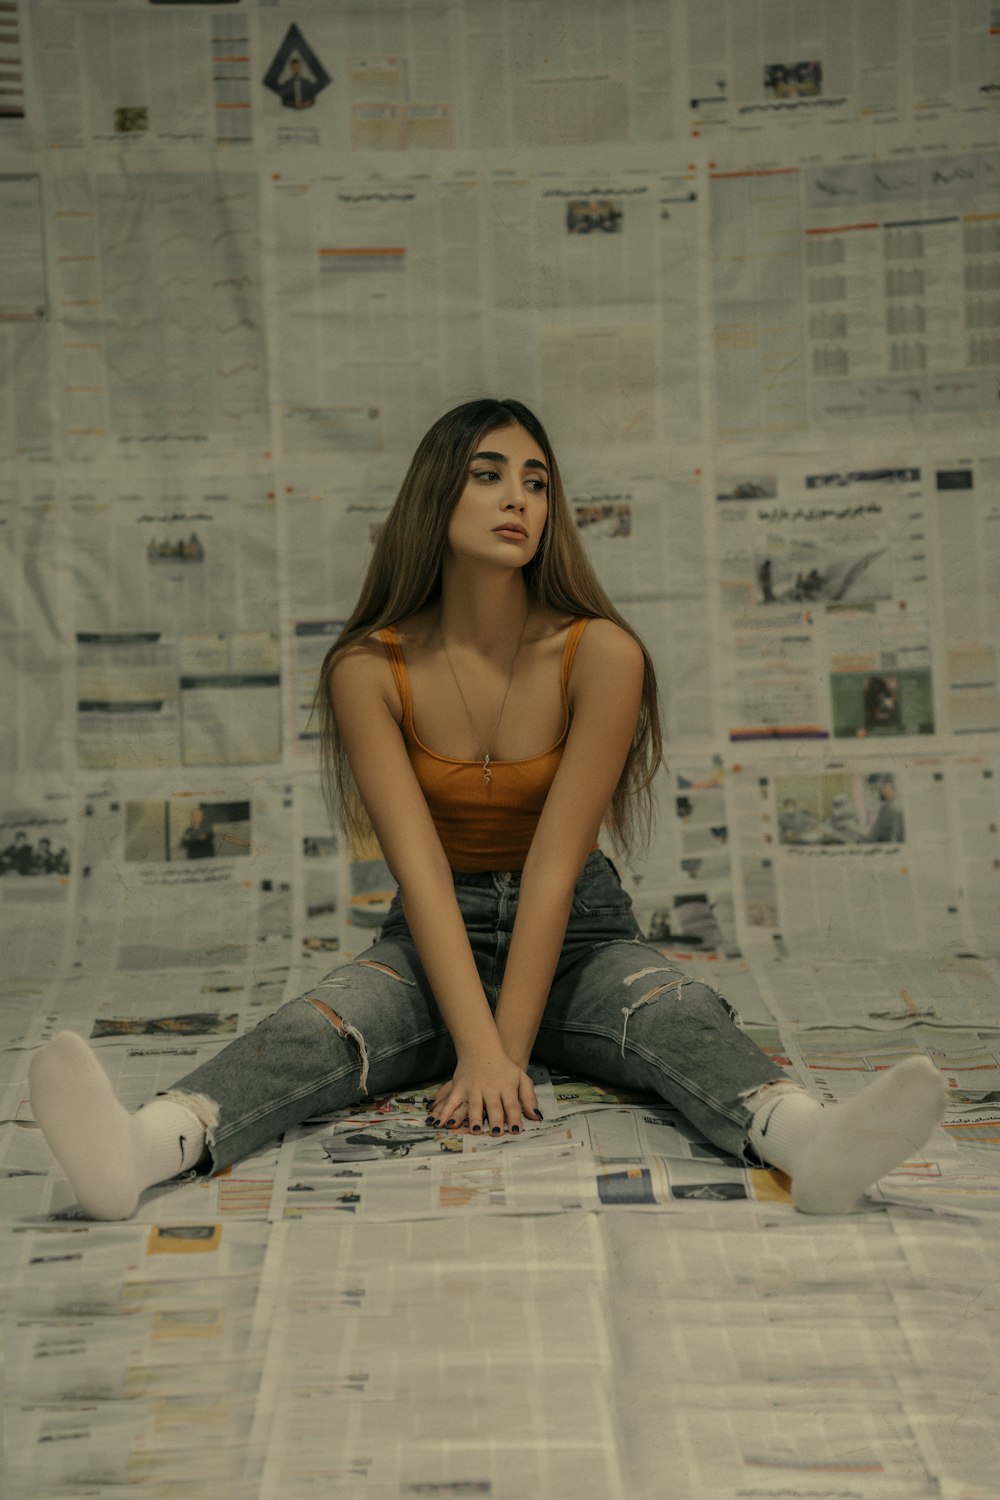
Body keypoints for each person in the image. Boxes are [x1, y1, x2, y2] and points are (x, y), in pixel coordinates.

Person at [29, 397, 947, 1220]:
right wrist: (478, 1047)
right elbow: (420, 872)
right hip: (436, 940)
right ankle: (143, 1148)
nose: (520, 499)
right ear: (439, 495)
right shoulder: (367, 669)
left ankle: (810, 1142)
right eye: (490, 474)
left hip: (580, 933)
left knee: (671, 1014)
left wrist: (501, 1055)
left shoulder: (602, 654)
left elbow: (553, 867)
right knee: (318, 1027)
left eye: (538, 482)